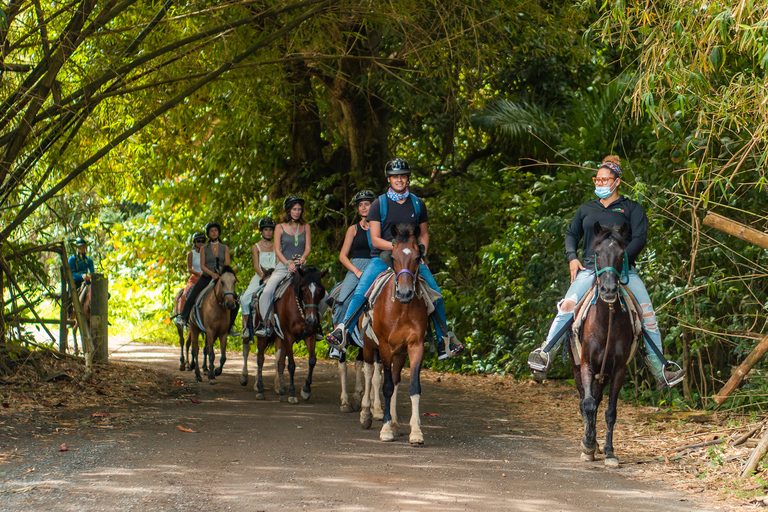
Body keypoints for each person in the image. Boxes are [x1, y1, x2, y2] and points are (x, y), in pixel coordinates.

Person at [527, 155, 686, 390]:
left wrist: (620, 263)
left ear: (617, 181)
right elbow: (571, 234)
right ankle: (545, 354)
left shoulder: (632, 208)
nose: (600, 184)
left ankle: (659, 369)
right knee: (568, 306)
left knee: (648, 314)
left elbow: (640, 239)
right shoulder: (586, 209)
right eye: (597, 180)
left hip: (624, 270)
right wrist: (572, 258)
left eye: (605, 180)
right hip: (591, 269)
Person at [325, 158, 464, 360]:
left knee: (435, 294)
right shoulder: (378, 204)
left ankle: (444, 340)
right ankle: (343, 330)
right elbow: (374, 239)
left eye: (403, 176)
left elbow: (424, 233)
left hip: (411, 259)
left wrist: (420, 251)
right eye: (395, 177)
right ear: (389, 179)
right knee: (361, 292)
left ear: (407, 178)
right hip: (382, 256)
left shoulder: (417, 203)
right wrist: (398, 248)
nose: (399, 180)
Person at [254, 196, 312, 337]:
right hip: (283, 267)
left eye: (299, 209)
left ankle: (317, 327)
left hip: (301, 268)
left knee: (321, 293)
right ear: (288, 210)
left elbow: (308, 247)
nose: (297, 212)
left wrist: (303, 258)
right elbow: (277, 249)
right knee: (266, 292)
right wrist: (287, 263)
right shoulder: (280, 227)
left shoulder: (306, 227)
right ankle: (266, 324)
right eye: (294, 209)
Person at [328, 189, 375, 360]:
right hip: (356, 267)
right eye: (360, 205)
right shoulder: (353, 229)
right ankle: (338, 342)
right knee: (343, 300)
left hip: (376, 265)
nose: (363, 207)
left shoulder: (381, 226)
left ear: (373, 206)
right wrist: (356, 271)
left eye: (367, 204)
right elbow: (342, 255)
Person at [176, 222, 238, 334]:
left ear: (218, 232)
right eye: (211, 231)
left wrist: (222, 274)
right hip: (206, 276)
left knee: (235, 299)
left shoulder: (225, 248)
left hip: (221, 277)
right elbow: (202, 266)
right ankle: (183, 317)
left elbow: (227, 264)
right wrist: (212, 274)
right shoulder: (204, 248)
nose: (214, 232)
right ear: (208, 234)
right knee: (193, 293)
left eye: (215, 230)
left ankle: (230, 326)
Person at [239, 218, 277, 340]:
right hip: (260, 275)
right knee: (245, 299)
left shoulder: (277, 246)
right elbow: (256, 265)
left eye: (270, 230)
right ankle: (246, 328)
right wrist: (262, 275)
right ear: (261, 231)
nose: (268, 232)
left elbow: (278, 262)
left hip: (274, 275)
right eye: (266, 230)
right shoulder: (256, 247)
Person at [174, 232, 205, 316]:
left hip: (206, 277)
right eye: (198, 241)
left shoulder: (207, 253)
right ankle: (181, 315)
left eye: (203, 241)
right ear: (195, 242)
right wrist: (199, 273)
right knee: (185, 294)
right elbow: (189, 269)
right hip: (195, 277)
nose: (201, 243)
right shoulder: (190, 254)